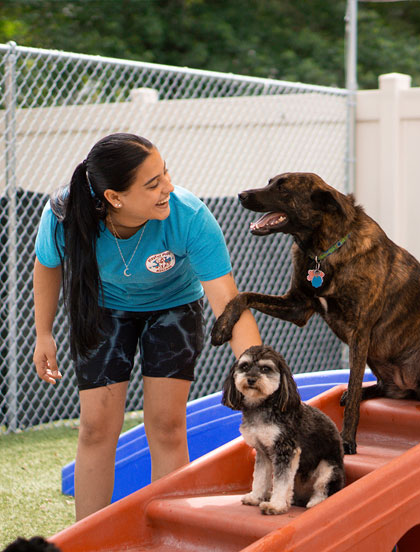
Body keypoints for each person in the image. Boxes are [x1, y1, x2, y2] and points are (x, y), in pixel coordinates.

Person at [33, 133, 261, 521]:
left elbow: (229, 304)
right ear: (115, 198)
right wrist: (43, 333)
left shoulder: (188, 216)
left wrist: (256, 374)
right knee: (95, 428)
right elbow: (47, 264)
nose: (167, 187)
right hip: (104, 308)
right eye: (152, 183)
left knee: (167, 426)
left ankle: (170, 541)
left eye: (165, 174)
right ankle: (89, 543)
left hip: (173, 307)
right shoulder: (65, 215)